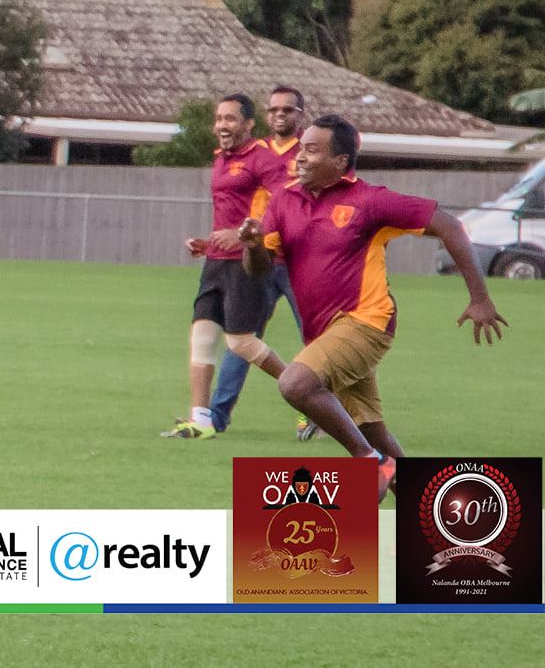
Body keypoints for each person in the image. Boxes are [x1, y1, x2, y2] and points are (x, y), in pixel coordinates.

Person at [238, 114, 507, 499]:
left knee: (295, 383)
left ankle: (367, 462)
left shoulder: (370, 201)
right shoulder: (284, 198)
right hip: (325, 334)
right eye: (300, 148)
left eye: (312, 150)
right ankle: (434, 522)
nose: (300, 157)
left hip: (367, 323)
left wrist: (480, 298)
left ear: (341, 162)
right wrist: (251, 245)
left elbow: (449, 225)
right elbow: (259, 271)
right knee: (373, 432)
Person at [163, 95, 294, 438]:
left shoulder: (262, 159)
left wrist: (243, 236)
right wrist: (205, 244)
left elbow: (286, 203)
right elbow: (227, 215)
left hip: (245, 264)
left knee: (240, 344)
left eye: (230, 119)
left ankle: (306, 388)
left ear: (249, 124)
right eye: (219, 118)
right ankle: (201, 420)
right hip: (216, 263)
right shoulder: (221, 159)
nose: (222, 125)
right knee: (202, 336)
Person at [207, 84, 310, 438]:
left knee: (315, 339)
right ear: (264, 116)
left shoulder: (311, 151)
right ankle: (216, 416)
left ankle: (315, 409)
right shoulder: (254, 152)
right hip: (260, 258)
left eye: (288, 110)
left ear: (300, 115)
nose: (280, 115)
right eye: (274, 109)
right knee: (242, 337)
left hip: (300, 258)